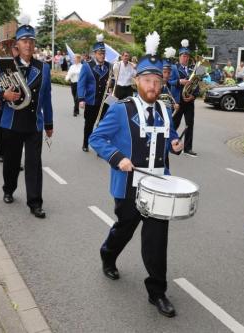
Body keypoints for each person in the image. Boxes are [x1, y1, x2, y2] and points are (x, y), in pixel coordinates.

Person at [89, 31, 183, 318]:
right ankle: (108, 253)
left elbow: (168, 139)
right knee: (126, 228)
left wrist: (175, 144)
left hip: (159, 186)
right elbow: (97, 138)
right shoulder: (121, 110)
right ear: (137, 81)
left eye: (157, 81)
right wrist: (118, 158)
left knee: (156, 240)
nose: (153, 86)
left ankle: (157, 291)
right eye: (147, 80)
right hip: (129, 186)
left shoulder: (166, 111)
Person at [0, 19, 53, 218]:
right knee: (12, 162)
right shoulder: (4, 63)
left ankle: (35, 202)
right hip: (12, 121)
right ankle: (8, 188)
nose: (28, 44)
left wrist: (49, 123)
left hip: (34, 124)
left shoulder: (44, 68)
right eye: (24, 41)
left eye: (31, 41)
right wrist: (1, 96)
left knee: (34, 164)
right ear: (17, 44)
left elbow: (47, 97)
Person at [77, 34, 112, 152]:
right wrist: (81, 99)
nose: (102, 56)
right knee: (89, 124)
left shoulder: (109, 66)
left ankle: (99, 147)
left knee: (102, 126)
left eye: (103, 53)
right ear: (95, 54)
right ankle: (85, 143)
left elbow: (111, 81)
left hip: (104, 101)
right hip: (91, 100)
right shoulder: (87, 66)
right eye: (100, 53)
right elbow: (81, 83)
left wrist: (111, 89)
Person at [173, 39, 199, 156]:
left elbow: (197, 84)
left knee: (189, 124)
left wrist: (194, 96)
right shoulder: (174, 68)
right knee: (175, 123)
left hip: (189, 101)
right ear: (179, 57)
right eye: (184, 56)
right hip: (179, 100)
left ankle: (188, 148)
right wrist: (179, 81)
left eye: (187, 56)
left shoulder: (193, 69)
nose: (186, 58)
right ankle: (169, 142)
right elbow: (168, 82)